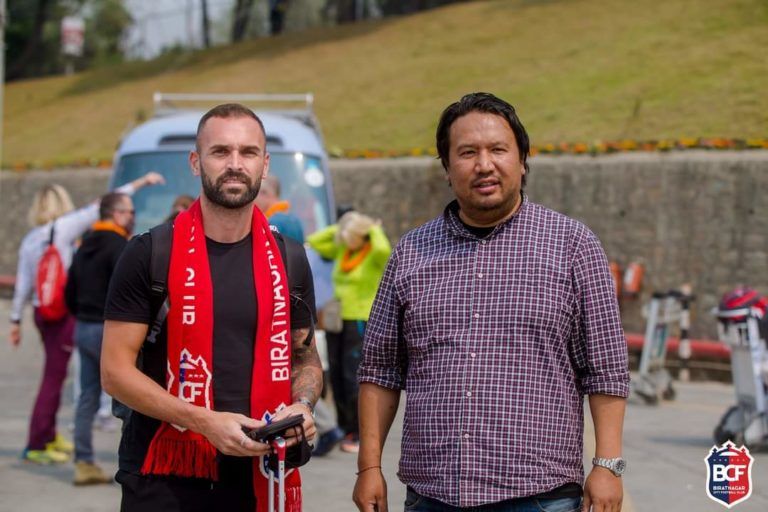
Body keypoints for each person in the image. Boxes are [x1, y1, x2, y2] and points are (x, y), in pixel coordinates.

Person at [353, 93, 629, 512]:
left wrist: (607, 466)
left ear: (522, 160)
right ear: (447, 168)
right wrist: (369, 467)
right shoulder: (411, 253)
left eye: (498, 150)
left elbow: (605, 368)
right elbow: (380, 369)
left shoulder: (573, 246)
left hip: (539, 495)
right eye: (467, 153)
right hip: (433, 495)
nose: (484, 164)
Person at [101, 103, 323, 511]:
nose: (235, 164)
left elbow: (305, 357)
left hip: (261, 472)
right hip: (164, 475)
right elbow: (114, 373)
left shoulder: (289, 258)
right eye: (220, 152)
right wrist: (203, 421)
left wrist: (303, 407)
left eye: (248, 152)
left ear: (265, 163)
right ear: (195, 161)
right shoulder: (150, 253)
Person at [8, 173, 165, 465]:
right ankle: (39, 439)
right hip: (74, 319)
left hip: (46, 313)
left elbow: (25, 283)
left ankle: (71, 450)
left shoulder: (32, 239)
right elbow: (100, 205)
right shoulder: (66, 228)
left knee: (80, 390)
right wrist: (141, 182)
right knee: (62, 381)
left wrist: (16, 319)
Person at [64, 192, 138, 485]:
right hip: (110, 330)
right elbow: (128, 293)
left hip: (83, 326)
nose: (132, 217)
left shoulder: (84, 245)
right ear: (118, 214)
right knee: (128, 399)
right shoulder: (121, 247)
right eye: (130, 211)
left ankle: (83, 461)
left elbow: (69, 289)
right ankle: (132, 466)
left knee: (86, 396)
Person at [307, 211, 391, 453]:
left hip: (360, 319)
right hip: (337, 320)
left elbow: (383, 246)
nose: (347, 240)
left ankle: (358, 431)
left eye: (352, 236)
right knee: (335, 375)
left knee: (352, 375)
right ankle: (344, 427)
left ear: (361, 236)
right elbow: (315, 241)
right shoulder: (343, 250)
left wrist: (371, 227)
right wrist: (341, 227)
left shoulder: (374, 253)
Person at [255, 174, 305, 243]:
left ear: (264, 193)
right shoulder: (295, 220)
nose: (254, 200)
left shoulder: (272, 224)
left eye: (255, 193)